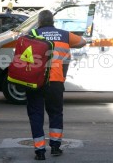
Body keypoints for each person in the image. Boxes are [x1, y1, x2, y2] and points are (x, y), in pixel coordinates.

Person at [26, 10, 87, 161]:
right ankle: (55, 147)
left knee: (36, 114)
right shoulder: (64, 35)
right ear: (53, 22)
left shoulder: (31, 34)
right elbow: (82, 42)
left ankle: (40, 151)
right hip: (56, 80)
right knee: (55, 113)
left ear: (39, 22)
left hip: (35, 81)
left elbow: (21, 52)